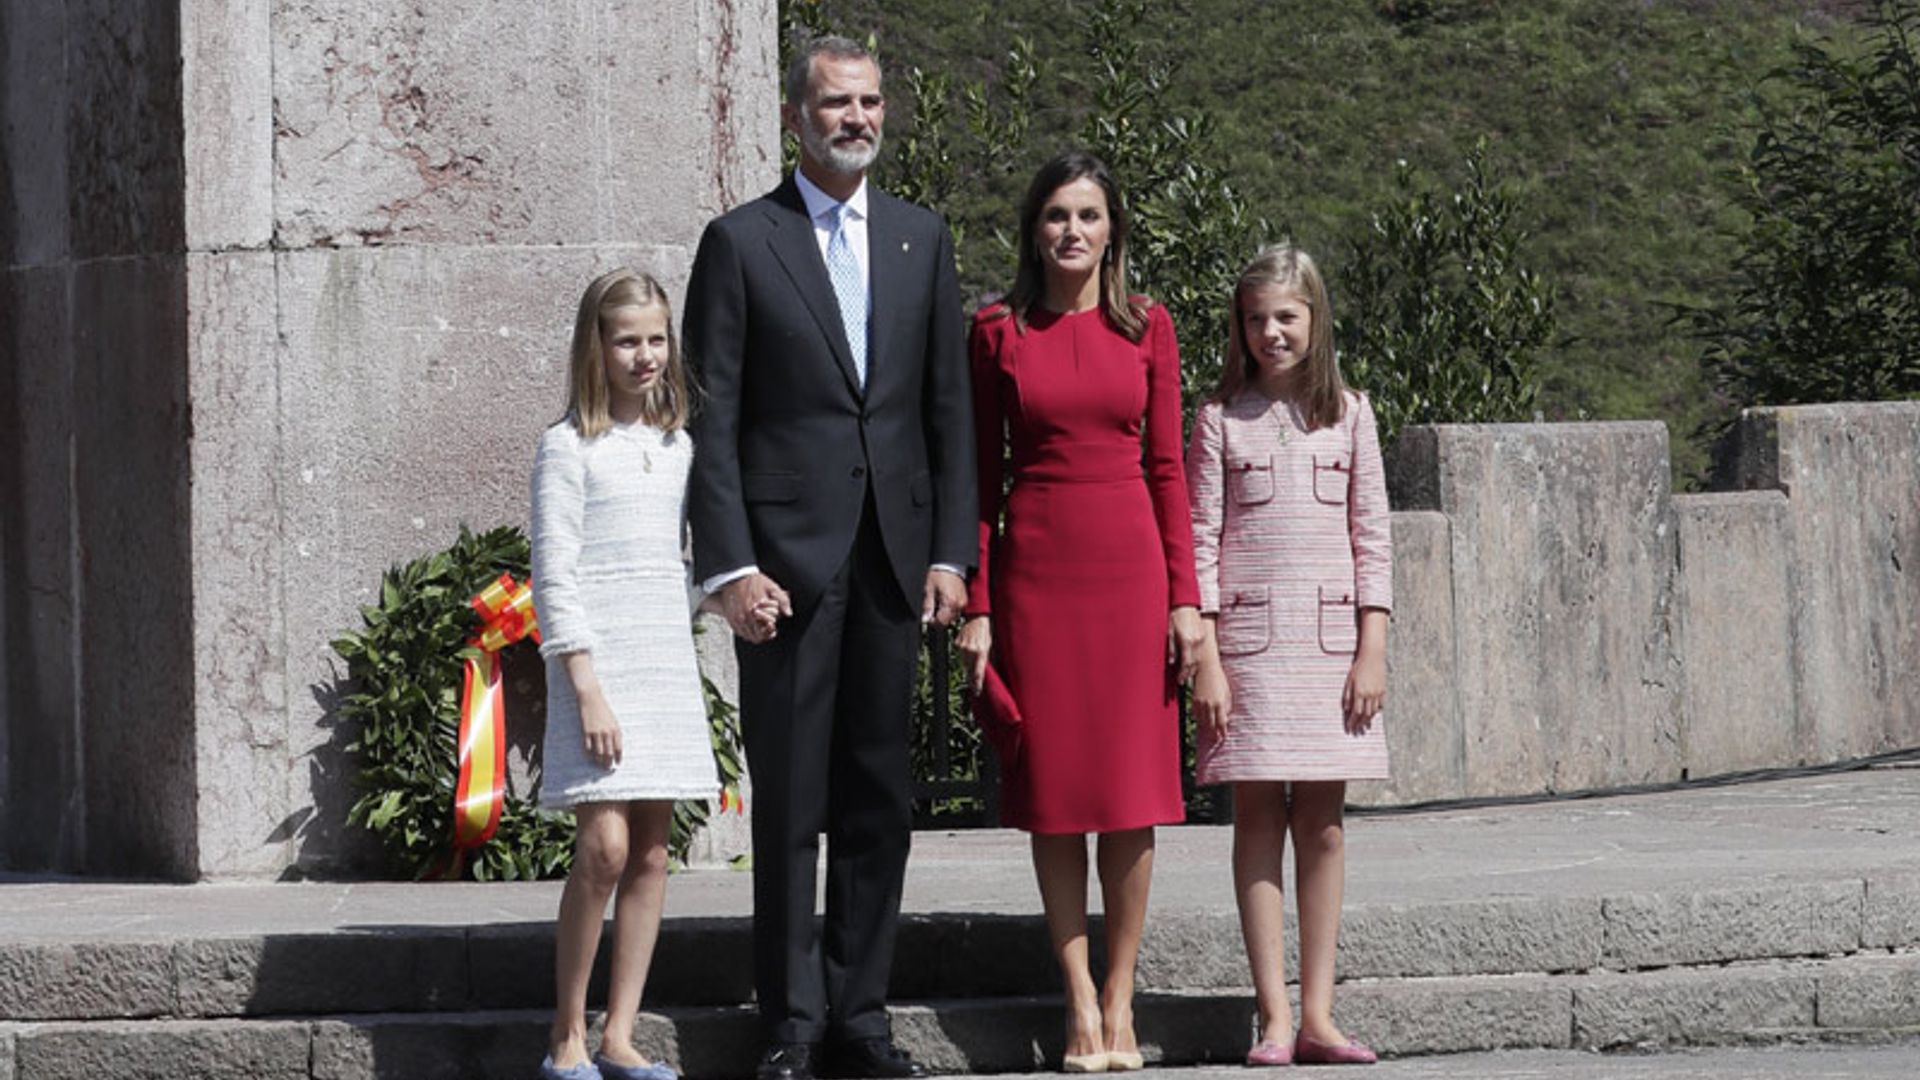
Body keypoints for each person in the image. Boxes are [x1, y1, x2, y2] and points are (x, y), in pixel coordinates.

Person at [682, 34, 975, 1080]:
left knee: (876, 800)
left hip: (896, 564)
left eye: (870, 103)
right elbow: (707, 423)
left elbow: (948, 413)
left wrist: (952, 552)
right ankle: (794, 1024)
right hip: (787, 575)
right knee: (793, 805)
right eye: (835, 103)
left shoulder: (918, 238)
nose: (856, 118)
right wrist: (729, 569)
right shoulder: (741, 242)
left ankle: (862, 1017)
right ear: (794, 117)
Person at [955, 151, 1205, 1074]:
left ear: (1114, 231)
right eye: (1056, 214)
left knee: (1130, 797)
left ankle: (1121, 998)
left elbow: (1170, 470)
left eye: (1089, 215)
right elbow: (979, 478)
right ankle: (1075, 1006)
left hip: (1131, 567)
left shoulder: (1149, 327)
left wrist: (1187, 599)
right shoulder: (996, 332)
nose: (1072, 231)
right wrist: (978, 603)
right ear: (1034, 229)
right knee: (1056, 797)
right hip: (1037, 571)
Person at [1185, 245, 1393, 1067]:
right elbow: (1200, 540)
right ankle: (1274, 1017)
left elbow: (1371, 535)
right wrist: (1205, 654)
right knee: (1257, 821)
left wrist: (1371, 647)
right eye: (1256, 319)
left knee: (1326, 828)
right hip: (1247, 653)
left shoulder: (1352, 413)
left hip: (1332, 650)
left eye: (1286, 317)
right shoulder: (1218, 418)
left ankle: (1321, 1014)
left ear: (1315, 320)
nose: (1271, 332)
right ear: (1240, 327)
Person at [530, 269, 722, 1080]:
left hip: (662, 657)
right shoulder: (567, 447)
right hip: (597, 667)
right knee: (603, 846)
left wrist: (721, 599)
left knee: (650, 852)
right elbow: (553, 572)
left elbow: (675, 562)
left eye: (656, 338)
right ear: (596, 347)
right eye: (627, 340)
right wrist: (584, 684)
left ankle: (620, 1034)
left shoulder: (679, 445)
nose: (645, 356)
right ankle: (566, 1033)